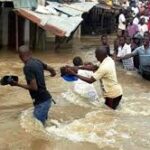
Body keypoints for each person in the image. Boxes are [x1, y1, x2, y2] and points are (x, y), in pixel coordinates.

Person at [11, 45, 56, 125]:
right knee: (42, 126)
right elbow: (52, 69)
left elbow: (34, 87)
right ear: (30, 53)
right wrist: (53, 74)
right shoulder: (37, 61)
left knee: (37, 126)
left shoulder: (27, 67)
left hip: (41, 102)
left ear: (20, 57)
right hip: (46, 99)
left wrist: (17, 84)